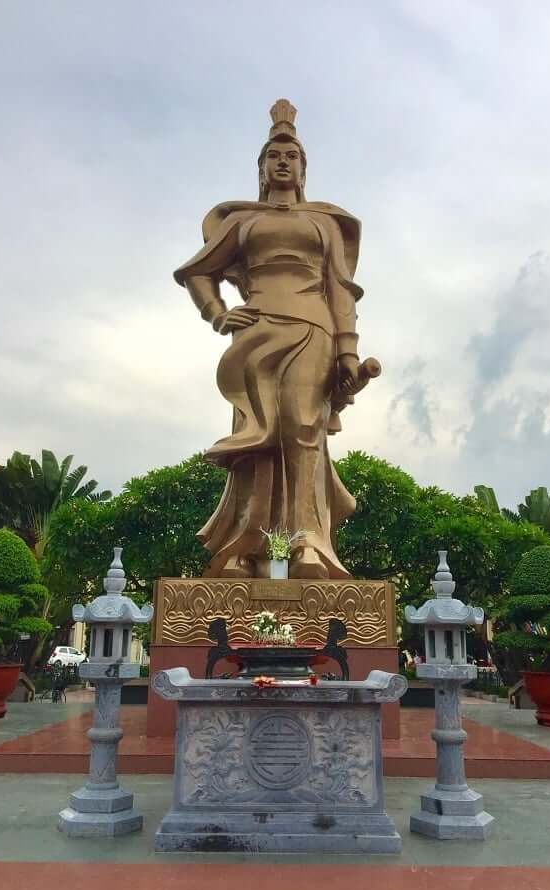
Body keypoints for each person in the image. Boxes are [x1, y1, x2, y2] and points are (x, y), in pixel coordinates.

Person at [174, 100, 368, 580]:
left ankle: (307, 546)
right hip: (255, 331)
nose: (283, 161)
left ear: (303, 168)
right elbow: (198, 274)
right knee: (254, 436)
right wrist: (218, 314)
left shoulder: (322, 224)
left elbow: (340, 288)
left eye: (291, 155)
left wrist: (348, 350)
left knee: (303, 430)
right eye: (273, 156)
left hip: (313, 329)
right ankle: (241, 549)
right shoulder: (245, 223)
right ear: (261, 169)